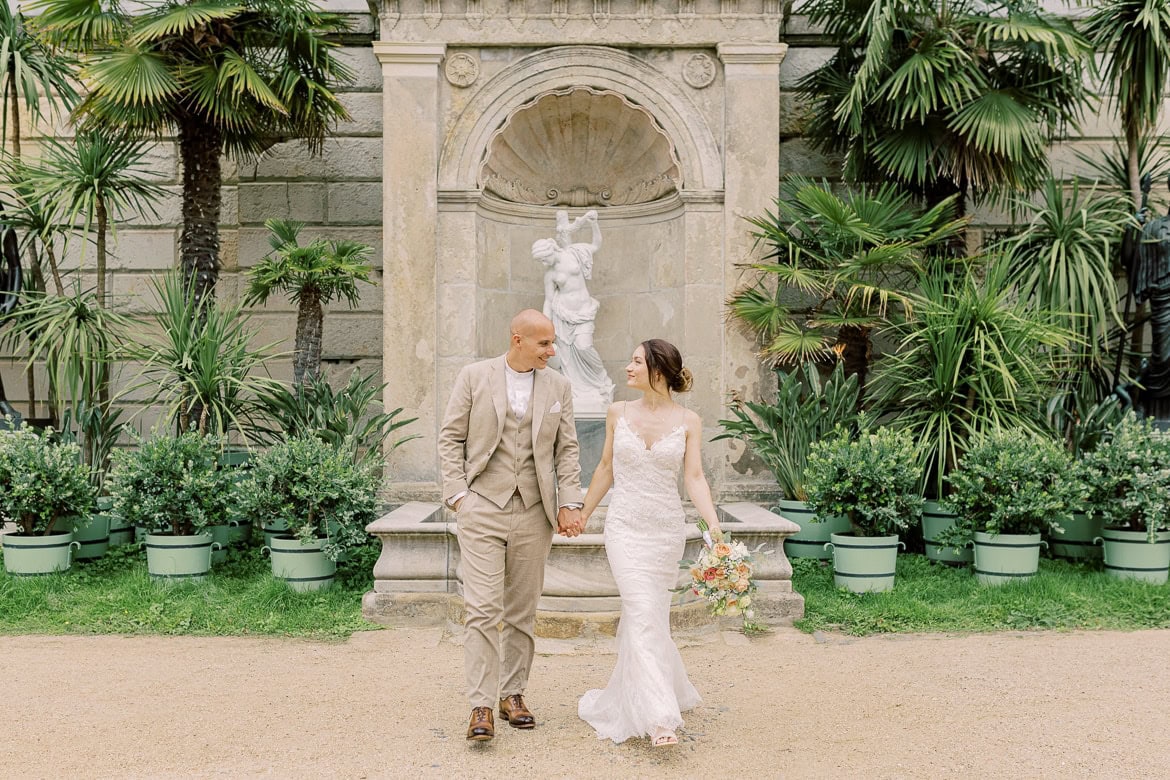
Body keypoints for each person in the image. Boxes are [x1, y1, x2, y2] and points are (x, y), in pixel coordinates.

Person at [438, 309, 585, 743]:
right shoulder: (474, 376)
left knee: (522, 611)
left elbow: (568, 450)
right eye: (544, 344)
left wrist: (570, 502)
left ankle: (512, 694)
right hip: (483, 505)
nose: (552, 351)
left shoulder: (559, 385)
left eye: (553, 343)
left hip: (535, 511)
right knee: (483, 609)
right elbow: (450, 437)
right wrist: (459, 496)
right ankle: (480, 704)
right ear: (517, 338)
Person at [577, 338, 724, 747]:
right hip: (623, 527)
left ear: (657, 371)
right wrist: (583, 514)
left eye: (636, 362)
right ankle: (661, 719)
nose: (627, 367)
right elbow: (605, 468)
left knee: (650, 617)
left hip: (664, 532)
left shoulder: (689, 420)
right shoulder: (616, 412)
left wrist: (713, 526)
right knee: (641, 611)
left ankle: (641, 696)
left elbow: (694, 478)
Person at [532, 209, 614, 413]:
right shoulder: (549, 274)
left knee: (584, 346)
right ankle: (576, 390)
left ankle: (600, 382)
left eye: (543, 259)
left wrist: (594, 224)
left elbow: (596, 245)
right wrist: (545, 328)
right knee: (567, 358)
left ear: (550, 250)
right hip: (562, 315)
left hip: (584, 312)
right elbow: (549, 301)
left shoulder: (575, 253)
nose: (543, 264)